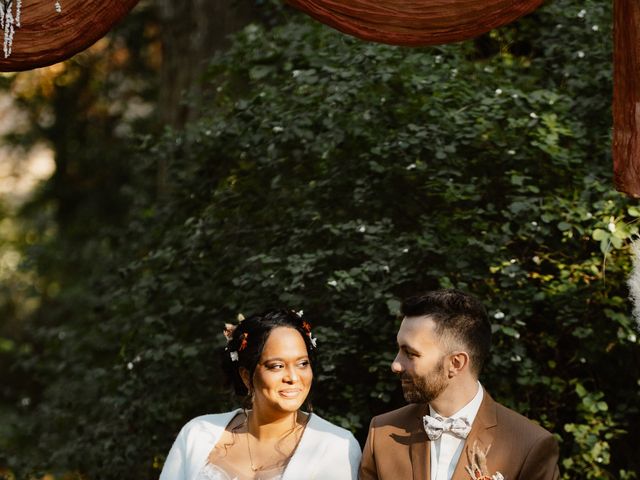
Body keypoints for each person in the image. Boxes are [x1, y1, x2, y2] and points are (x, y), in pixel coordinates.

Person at [359, 289, 560, 480]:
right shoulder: (382, 432)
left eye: (410, 353)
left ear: (456, 363)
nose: (395, 365)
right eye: (399, 350)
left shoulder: (530, 445)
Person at [160, 309, 361, 480]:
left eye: (302, 364)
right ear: (247, 376)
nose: (293, 377)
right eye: (276, 366)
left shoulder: (337, 446)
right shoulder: (198, 434)